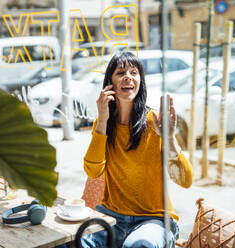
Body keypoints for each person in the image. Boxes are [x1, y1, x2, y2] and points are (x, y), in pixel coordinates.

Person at [82, 52, 194, 248]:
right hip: (111, 218)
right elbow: (93, 171)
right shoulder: (103, 124)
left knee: (138, 246)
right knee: (75, 241)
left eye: (134, 72)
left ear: (140, 81)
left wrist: (169, 138)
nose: (128, 76)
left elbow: (185, 180)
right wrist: (102, 119)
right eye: (121, 72)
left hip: (154, 220)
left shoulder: (155, 122)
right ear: (110, 83)